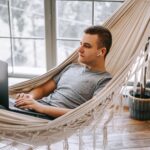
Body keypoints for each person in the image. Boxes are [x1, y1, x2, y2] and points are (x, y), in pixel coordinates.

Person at [15, 25, 112, 118]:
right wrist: (29, 98)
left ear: (102, 52)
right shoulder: (71, 67)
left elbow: (89, 112)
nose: (79, 50)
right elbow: (43, 89)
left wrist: (40, 108)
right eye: (80, 44)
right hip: (34, 109)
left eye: (86, 46)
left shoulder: (105, 80)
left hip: (49, 119)